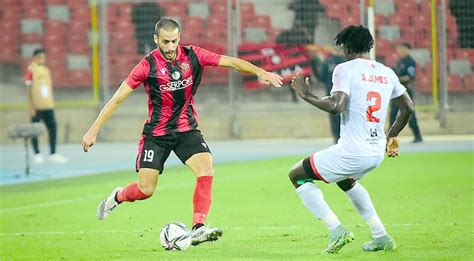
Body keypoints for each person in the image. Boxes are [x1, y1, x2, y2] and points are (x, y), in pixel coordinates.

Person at [81, 18, 282, 246]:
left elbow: (232, 62)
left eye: (174, 41)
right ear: (156, 39)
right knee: (146, 190)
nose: (169, 47)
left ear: (179, 38)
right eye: (165, 42)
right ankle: (117, 196)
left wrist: (260, 72)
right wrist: (93, 130)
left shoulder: (193, 55)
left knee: (206, 168)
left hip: (187, 129)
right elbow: (117, 99)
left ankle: (198, 227)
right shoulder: (147, 65)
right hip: (156, 135)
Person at [289, 25, 414, 254]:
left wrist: (306, 95)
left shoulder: (344, 69)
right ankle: (381, 236)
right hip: (376, 153)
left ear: (346, 46)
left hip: (352, 151)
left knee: (296, 175)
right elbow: (407, 108)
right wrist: (392, 136)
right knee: (346, 180)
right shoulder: (387, 72)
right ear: (368, 45)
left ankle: (336, 230)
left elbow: (337, 106)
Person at [25, 48, 68, 164]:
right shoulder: (30, 70)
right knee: (35, 129)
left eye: (43, 57)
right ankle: (37, 153)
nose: (42, 59)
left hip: (47, 105)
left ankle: (53, 153)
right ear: (35, 57)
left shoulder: (45, 70)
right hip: (37, 106)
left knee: (53, 128)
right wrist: (31, 106)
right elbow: (28, 89)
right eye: (40, 57)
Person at [389, 42, 423, 143]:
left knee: (409, 114)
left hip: (405, 92)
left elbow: (409, 77)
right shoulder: (399, 61)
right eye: (400, 49)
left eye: (403, 49)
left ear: (408, 50)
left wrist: (396, 80)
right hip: (396, 93)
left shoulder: (410, 61)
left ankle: (418, 136)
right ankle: (391, 140)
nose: (401, 51)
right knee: (393, 115)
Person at [319, 48, 345, 143]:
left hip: (331, 94)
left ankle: (336, 138)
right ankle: (345, 138)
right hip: (344, 95)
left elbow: (321, 77)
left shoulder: (327, 62)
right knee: (345, 117)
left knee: (334, 117)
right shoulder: (346, 63)